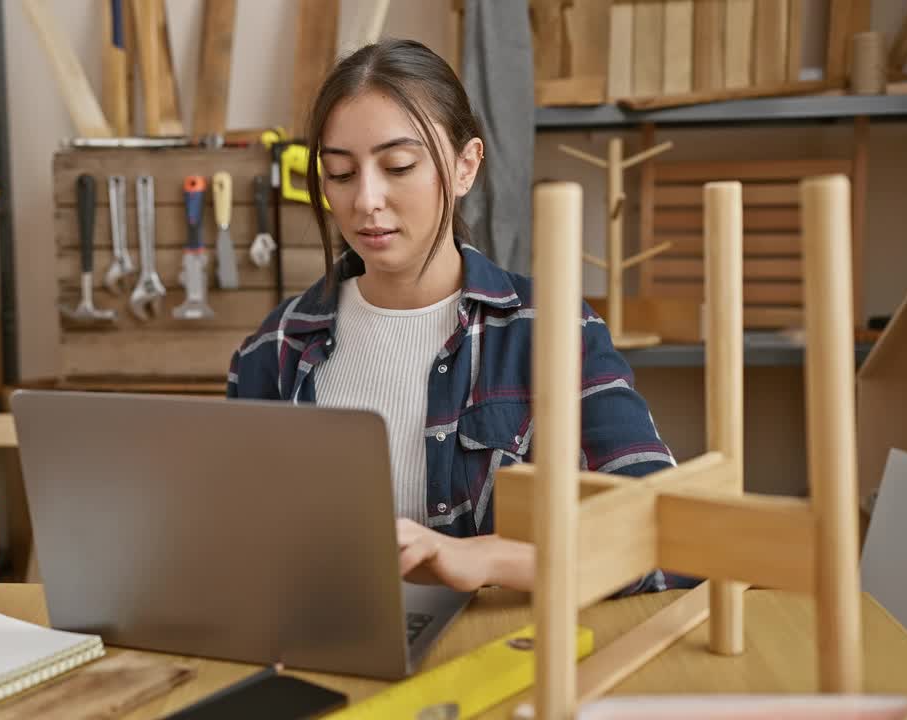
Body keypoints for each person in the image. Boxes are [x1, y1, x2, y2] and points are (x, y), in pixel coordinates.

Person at [227, 39, 676, 596]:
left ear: (465, 167)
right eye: (340, 174)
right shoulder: (273, 348)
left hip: (505, 658)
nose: (366, 200)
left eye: (398, 166)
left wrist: (487, 559)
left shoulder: (550, 333)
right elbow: (237, 551)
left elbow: (666, 539)